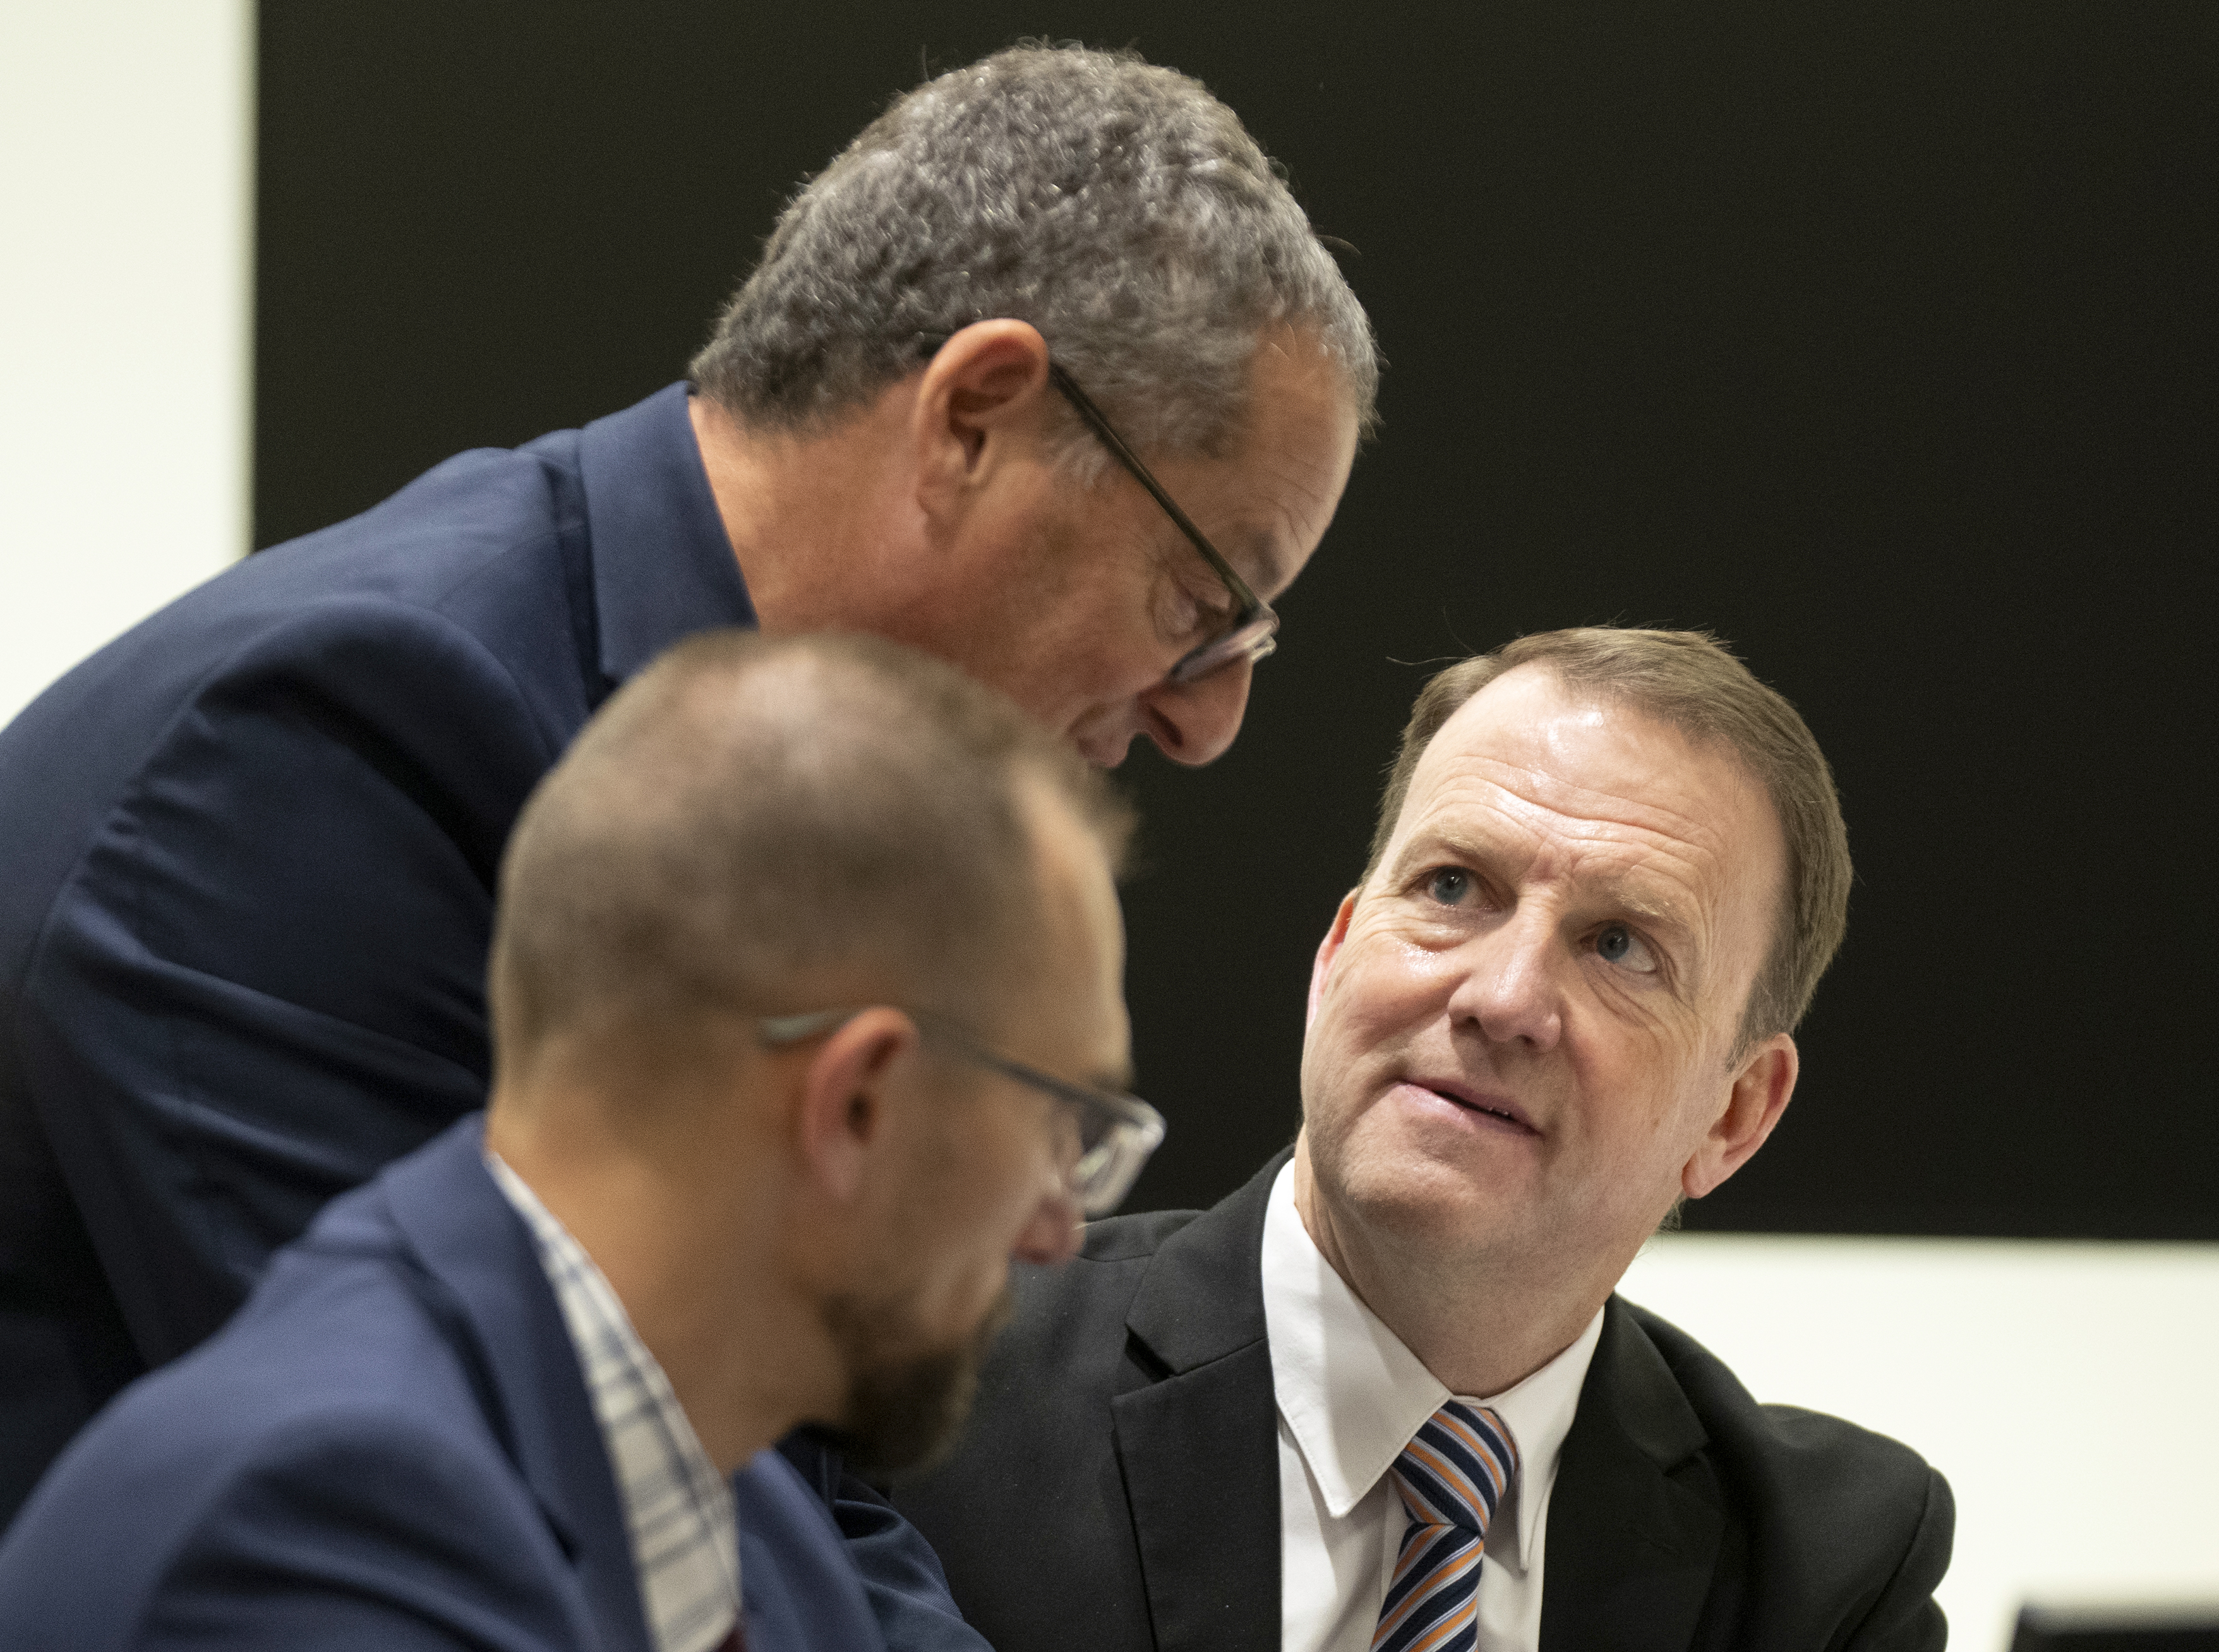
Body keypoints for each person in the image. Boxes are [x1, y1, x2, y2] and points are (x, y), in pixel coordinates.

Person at [0, 35, 1374, 1565]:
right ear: (975, 417)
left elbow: (777, 1486)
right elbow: (558, 1513)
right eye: (1203, 600)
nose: (1209, 721)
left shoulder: (753, 793)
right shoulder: (341, 745)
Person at [0, 629, 1155, 1650]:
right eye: (1064, 1124)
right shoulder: (309, 1528)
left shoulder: (744, 1517)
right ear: (860, 1104)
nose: (1058, 1230)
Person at [895, 627, 1957, 1652]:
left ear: (1736, 1116)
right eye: (1452, 888)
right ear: (1337, 957)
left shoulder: (1821, 1569)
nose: (1504, 999)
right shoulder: (929, 1373)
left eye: (1620, 947)